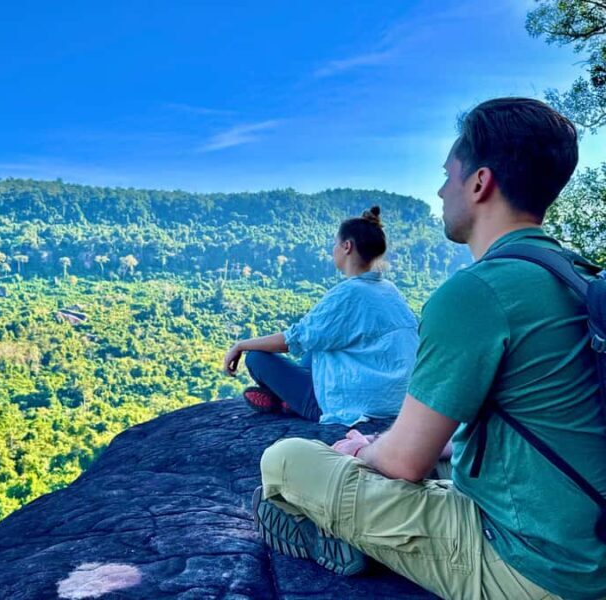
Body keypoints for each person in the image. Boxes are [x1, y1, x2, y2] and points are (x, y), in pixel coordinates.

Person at [252, 97, 606, 600]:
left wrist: (364, 451)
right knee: (425, 460)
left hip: (536, 569)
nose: (440, 191)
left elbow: (403, 466)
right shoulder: (578, 275)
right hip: (586, 535)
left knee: (285, 460)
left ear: (480, 182)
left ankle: (343, 536)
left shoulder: (478, 292)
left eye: (448, 175)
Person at [223, 207, 418, 426]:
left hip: (349, 403)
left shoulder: (349, 293)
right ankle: (286, 399)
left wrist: (240, 345)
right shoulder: (389, 289)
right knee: (319, 346)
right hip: (396, 399)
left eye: (335, 243)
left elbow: (294, 339)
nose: (333, 249)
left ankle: (286, 401)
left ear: (347, 247)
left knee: (256, 358)